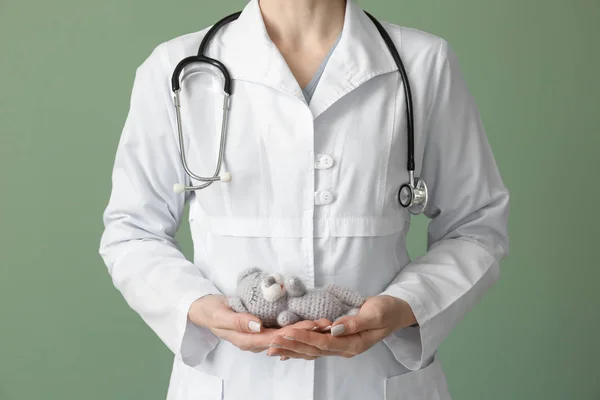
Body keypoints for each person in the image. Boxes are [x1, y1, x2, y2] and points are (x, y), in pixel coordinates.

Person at [98, 0, 509, 398]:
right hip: (232, 379)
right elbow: (133, 232)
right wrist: (202, 309)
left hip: (371, 380)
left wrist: (402, 306)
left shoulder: (423, 63)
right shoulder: (179, 68)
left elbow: (476, 226)